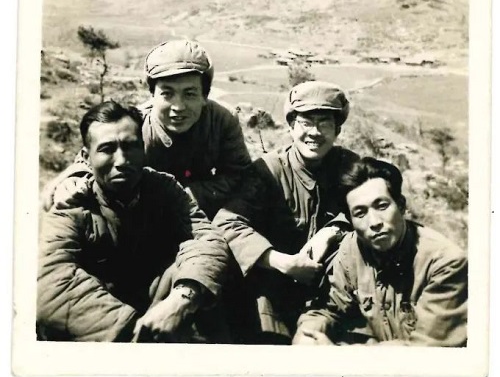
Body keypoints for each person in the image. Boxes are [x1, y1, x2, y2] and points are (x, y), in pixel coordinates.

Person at [37, 101, 230, 342]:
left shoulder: (164, 189)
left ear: (144, 149)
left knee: (203, 276)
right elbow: (51, 281)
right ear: (86, 157)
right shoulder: (72, 203)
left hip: (161, 311)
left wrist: (182, 299)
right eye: (107, 149)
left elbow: (207, 239)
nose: (122, 160)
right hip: (105, 331)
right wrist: (135, 330)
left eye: (130, 146)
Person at [213, 80, 358, 344]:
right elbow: (227, 222)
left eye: (324, 123)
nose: (315, 133)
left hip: (332, 291)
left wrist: (334, 230)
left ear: (337, 130)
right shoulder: (267, 170)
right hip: (272, 292)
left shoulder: (349, 166)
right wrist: (283, 263)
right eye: (306, 123)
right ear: (291, 127)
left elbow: (378, 208)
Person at [43, 39, 252, 220]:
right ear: (152, 95)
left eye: (190, 94)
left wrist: (186, 195)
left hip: (199, 212)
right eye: (167, 94)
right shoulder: (134, 123)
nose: (178, 107)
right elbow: (88, 162)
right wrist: (71, 181)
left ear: (204, 96)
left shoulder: (221, 120)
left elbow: (240, 174)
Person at [293, 156, 467, 347]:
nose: (374, 222)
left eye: (382, 206)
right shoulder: (351, 249)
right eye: (360, 213)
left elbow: (424, 350)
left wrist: (341, 355)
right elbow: (329, 308)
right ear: (351, 222)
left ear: (401, 205)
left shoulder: (446, 263)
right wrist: (309, 332)